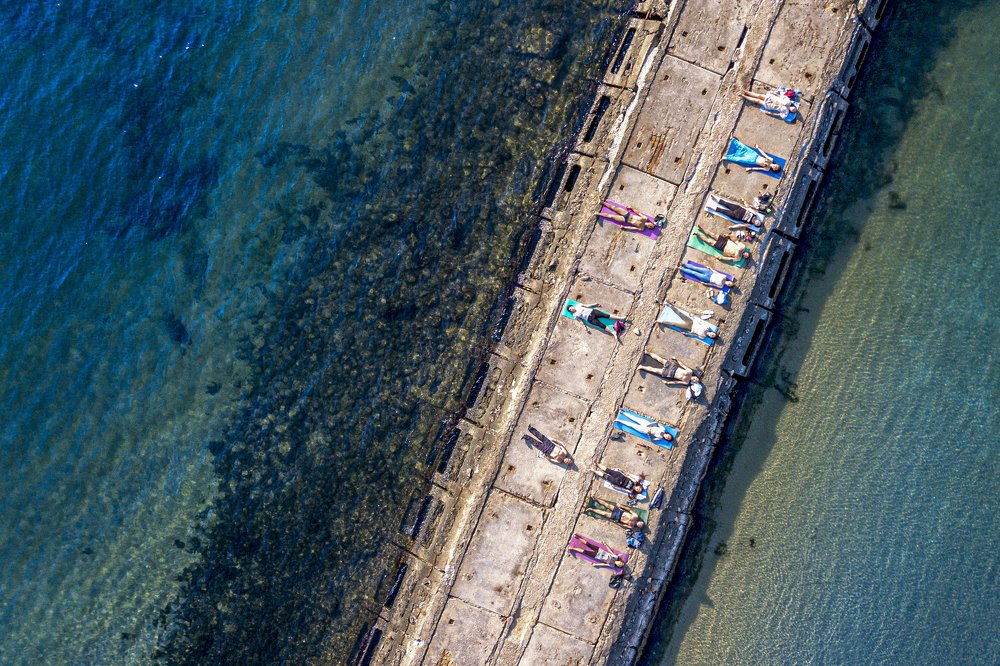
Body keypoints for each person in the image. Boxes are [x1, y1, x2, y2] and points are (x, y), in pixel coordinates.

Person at [600, 200, 664, 231]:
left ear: (649, 227)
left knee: (611, 216)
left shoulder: (641, 228)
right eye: (651, 224)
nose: (650, 225)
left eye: (650, 226)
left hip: (625, 220)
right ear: (650, 223)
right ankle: (602, 202)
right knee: (614, 207)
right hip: (628, 214)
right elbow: (638, 213)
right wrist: (631, 208)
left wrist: (624, 227)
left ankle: (597, 213)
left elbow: (633, 228)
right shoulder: (645, 218)